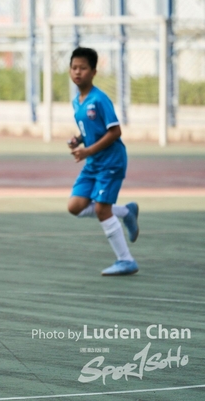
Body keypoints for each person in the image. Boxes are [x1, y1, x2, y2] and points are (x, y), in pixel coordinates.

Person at [66, 46, 140, 276]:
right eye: (74, 67)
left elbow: (115, 131)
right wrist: (78, 139)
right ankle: (126, 212)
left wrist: (87, 151)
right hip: (93, 163)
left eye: (83, 68)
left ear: (94, 72)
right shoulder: (77, 101)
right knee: (75, 207)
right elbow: (91, 129)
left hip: (111, 162)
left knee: (101, 210)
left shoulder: (100, 99)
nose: (78, 72)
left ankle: (126, 260)